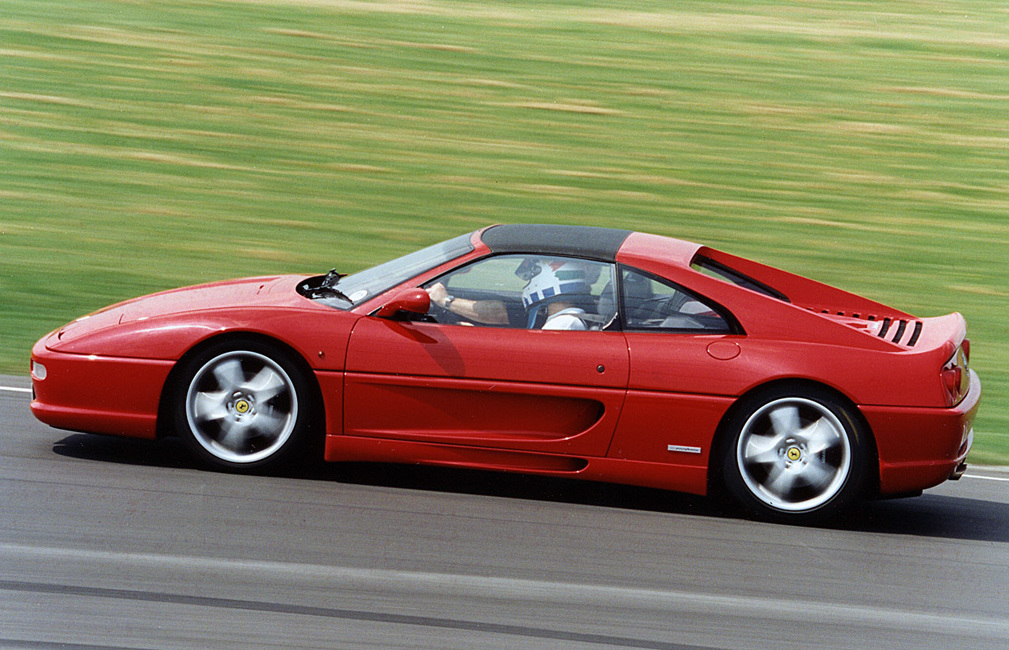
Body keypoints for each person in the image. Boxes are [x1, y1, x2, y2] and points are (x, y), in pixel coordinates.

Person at [426, 257, 593, 330]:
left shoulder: (564, 325)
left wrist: (445, 301)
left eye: (533, 274)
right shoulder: (555, 318)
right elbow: (499, 312)